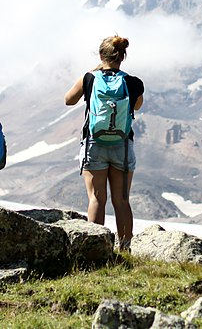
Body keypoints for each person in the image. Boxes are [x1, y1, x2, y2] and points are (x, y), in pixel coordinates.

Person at [64, 36, 144, 250]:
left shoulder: (89, 78)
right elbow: (137, 106)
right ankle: (125, 248)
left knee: (97, 198)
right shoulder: (133, 82)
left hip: (94, 144)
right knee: (122, 200)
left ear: (101, 55)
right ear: (122, 56)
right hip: (122, 145)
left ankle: (95, 248)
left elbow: (68, 99)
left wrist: (93, 74)